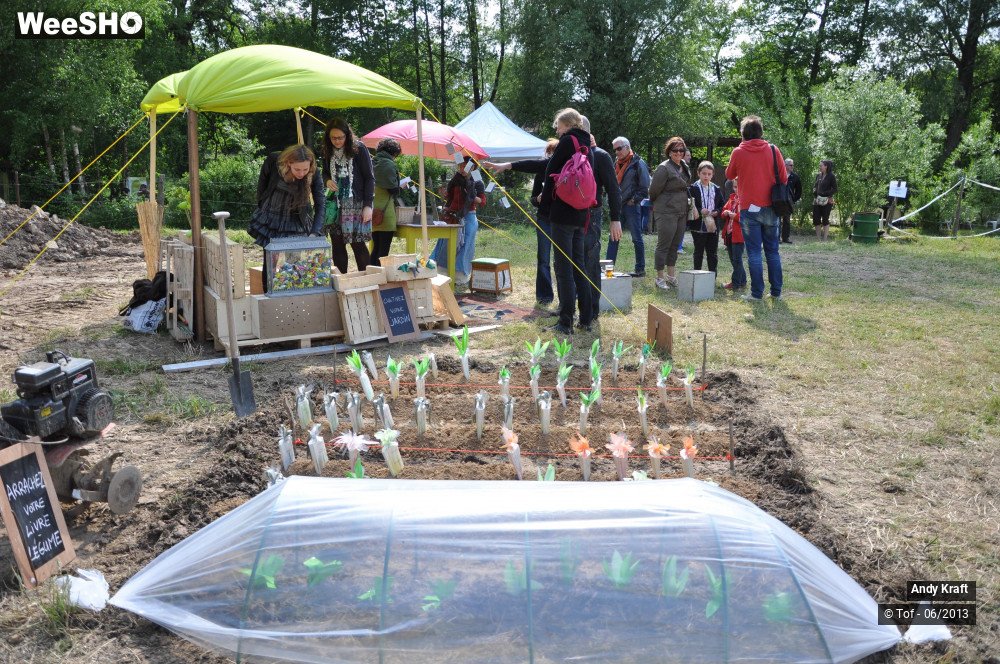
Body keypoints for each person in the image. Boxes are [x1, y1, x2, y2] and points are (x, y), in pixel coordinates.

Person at [538, 108, 594, 335]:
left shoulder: (567, 140)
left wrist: (545, 207)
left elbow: (550, 172)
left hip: (562, 212)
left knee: (563, 269)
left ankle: (565, 322)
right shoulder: (587, 144)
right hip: (581, 213)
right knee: (579, 266)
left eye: (558, 126)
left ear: (568, 124)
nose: (557, 130)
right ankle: (586, 318)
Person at [485, 138, 558, 306]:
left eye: (552, 153)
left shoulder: (564, 168)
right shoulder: (541, 172)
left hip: (561, 220)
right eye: (548, 154)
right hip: (544, 219)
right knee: (544, 259)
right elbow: (533, 198)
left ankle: (569, 296)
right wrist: (538, 199)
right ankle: (544, 296)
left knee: (562, 260)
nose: (549, 157)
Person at [724, 115, 787, 301]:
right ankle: (776, 292)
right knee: (773, 252)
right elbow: (783, 178)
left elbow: (729, 174)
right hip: (771, 208)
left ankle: (756, 293)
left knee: (753, 253)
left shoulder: (738, 151)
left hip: (749, 210)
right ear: (761, 132)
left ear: (743, 134)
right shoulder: (774, 150)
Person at [248, 144, 326, 286]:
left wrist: (315, 232)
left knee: (294, 262)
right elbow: (262, 187)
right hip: (272, 217)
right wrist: (262, 209)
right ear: (288, 163)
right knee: (270, 260)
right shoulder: (274, 160)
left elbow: (321, 204)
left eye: (305, 169)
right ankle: (268, 293)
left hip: (296, 220)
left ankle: (290, 292)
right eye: (297, 169)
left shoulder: (314, 173)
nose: (301, 173)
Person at [578, 115, 622, 325]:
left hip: (592, 215)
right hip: (571, 216)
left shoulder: (601, 156)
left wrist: (616, 219)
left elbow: (614, 190)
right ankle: (574, 306)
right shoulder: (573, 154)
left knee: (590, 261)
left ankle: (592, 310)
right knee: (573, 262)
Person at [321, 117, 375, 274]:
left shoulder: (359, 148)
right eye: (333, 138)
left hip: (356, 203)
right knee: (337, 244)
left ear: (347, 135)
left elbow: (370, 178)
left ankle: (367, 281)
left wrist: (368, 205)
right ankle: (341, 282)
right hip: (336, 205)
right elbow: (324, 171)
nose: (337, 141)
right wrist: (327, 180)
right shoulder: (327, 150)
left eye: (340, 137)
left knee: (357, 244)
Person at [431, 157, 486, 284]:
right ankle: (442, 273)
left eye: (466, 166)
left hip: (469, 217)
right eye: (461, 166)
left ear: (473, 168)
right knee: (445, 244)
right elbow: (450, 198)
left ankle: (460, 277)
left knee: (465, 246)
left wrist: (471, 195)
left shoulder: (477, 181)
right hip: (453, 217)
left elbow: (482, 201)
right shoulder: (455, 180)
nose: (462, 169)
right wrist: (444, 194)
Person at [648, 137, 690, 290]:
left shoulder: (684, 165)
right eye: (675, 150)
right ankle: (659, 278)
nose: (678, 153)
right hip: (666, 211)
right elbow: (653, 191)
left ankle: (671, 276)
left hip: (681, 210)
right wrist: (660, 205)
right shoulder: (664, 168)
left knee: (675, 245)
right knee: (664, 244)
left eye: (681, 150)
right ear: (669, 152)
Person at [606, 136, 649, 277]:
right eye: (615, 150)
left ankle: (640, 269)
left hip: (631, 206)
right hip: (617, 206)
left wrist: (633, 200)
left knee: (636, 238)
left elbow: (644, 188)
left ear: (627, 147)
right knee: (613, 237)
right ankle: (608, 270)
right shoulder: (615, 163)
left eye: (619, 148)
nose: (616, 152)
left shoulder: (638, 163)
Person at [370, 138, 403, 267]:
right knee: (383, 251)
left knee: (375, 248)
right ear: (393, 152)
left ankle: (371, 275)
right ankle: (380, 278)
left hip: (372, 211)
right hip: (386, 212)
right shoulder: (389, 165)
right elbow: (393, 189)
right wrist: (400, 186)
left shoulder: (372, 162)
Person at [687, 161, 724, 274]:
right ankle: (697, 275)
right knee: (698, 251)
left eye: (709, 174)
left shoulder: (716, 188)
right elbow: (689, 204)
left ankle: (713, 275)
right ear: (698, 173)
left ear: (712, 175)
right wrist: (699, 210)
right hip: (698, 224)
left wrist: (717, 211)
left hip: (712, 225)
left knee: (712, 252)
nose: (706, 176)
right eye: (704, 173)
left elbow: (722, 205)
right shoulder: (692, 188)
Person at [720, 178, 746, 291]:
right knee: (734, 259)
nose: (736, 189)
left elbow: (744, 218)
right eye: (735, 187)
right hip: (729, 233)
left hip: (739, 235)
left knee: (737, 260)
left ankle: (735, 283)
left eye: (739, 187)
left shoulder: (746, 200)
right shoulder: (732, 198)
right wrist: (725, 213)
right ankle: (743, 281)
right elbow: (723, 211)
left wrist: (733, 215)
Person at [812, 160, 837, 241]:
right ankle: (819, 239)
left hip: (827, 200)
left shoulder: (831, 176)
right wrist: (815, 192)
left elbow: (835, 189)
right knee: (816, 219)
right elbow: (815, 186)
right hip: (817, 200)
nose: (819, 167)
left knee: (825, 219)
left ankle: (825, 239)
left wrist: (826, 194)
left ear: (826, 166)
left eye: (821, 165)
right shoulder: (818, 176)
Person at [781, 158, 802, 243]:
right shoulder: (779, 175)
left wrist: (793, 200)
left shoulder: (795, 177)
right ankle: (776, 238)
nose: (792, 167)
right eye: (791, 165)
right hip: (778, 200)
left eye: (793, 165)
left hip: (788, 202)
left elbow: (799, 191)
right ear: (785, 165)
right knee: (777, 220)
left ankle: (785, 238)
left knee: (786, 220)